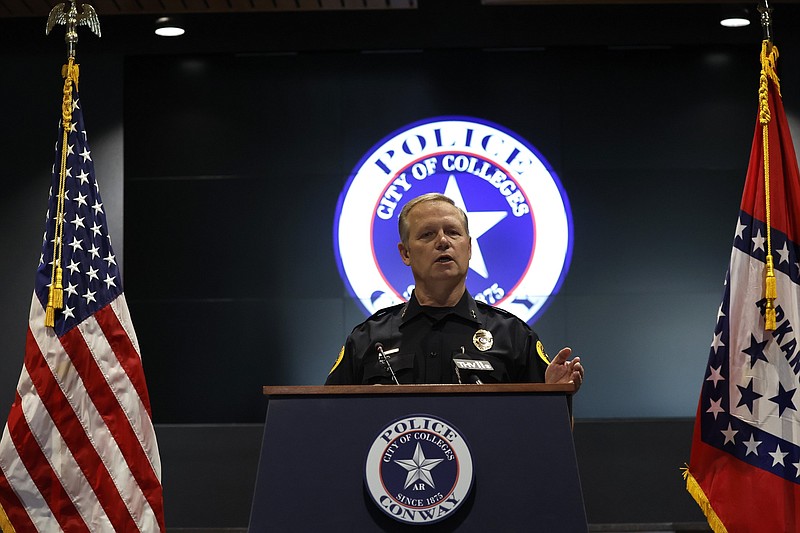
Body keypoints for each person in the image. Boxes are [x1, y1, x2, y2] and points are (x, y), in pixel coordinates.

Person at [325, 193, 583, 389]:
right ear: (405, 253)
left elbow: (548, 440)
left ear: (469, 248)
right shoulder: (367, 339)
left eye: (453, 232)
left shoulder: (513, 337)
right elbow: (329, 422)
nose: (443, 241)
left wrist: (555, 396)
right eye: (427, 234)